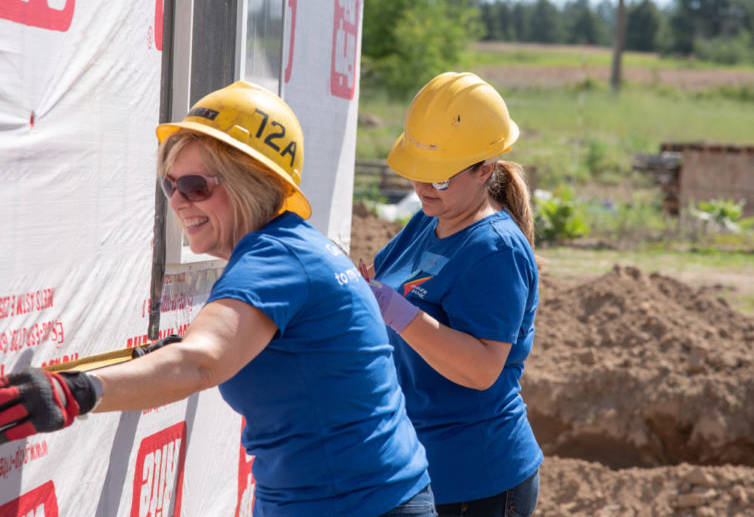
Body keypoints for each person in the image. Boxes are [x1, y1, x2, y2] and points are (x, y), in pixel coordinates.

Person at [0, 81, 435, 517]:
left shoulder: (273, 259)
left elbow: (202, 362)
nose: (179, 202)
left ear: (252, 183)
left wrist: (77, 392)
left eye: (195, 186)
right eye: (170, 185)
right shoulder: (298, 245)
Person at [359, 72, 543, 517]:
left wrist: (393, 309)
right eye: (417, 175)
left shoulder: (494, 249)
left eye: (439, 179)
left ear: (485, 169)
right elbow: (384, 289)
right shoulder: (430, 218)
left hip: (477, 480)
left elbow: (482, 369)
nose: (423, 188)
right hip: (419, 464)